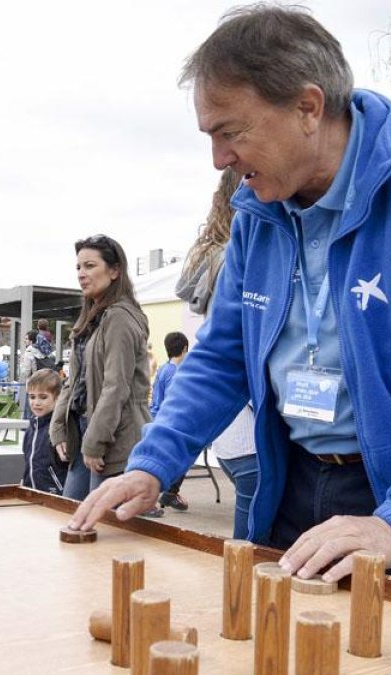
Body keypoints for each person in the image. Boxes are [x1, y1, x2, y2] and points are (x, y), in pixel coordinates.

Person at [69, 6, 391, 594]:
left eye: (231, 132)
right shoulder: (259, 209)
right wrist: (152, 462)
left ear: (307, 107)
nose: (220, 159)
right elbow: (223, 357)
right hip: (296, 487)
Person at [176, 167, 259, 539]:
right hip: (251, 430)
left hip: (231, 436)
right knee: (255, 547)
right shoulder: (241, 261)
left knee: (250, 537)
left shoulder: (212, 262)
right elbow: (230, 353)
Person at [51, 235, 151, 501]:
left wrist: (95, 441)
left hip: (114, 438)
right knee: (72, 515)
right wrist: (58, 426)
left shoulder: (119, 316)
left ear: (115, 270)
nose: (81, 274)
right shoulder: (92, 317)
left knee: (100, 528)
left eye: (90, 266)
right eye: (78, 267)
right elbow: (74, 381)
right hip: (86, 431)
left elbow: (116, 386)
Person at [150, 331, 191, 512]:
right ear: (185, 349)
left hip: (155, 418)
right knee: (186, 453)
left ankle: (169, 493)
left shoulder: (163, 369)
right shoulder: (179, 374)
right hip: (171, 423)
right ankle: (169, 493)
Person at [21, 369, 67, 494]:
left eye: (43, 397)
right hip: (30, 491)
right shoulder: (31, 428)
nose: (36, 403)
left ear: (57, 398)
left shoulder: (60, 429)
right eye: (32, 397)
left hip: (54, 493)